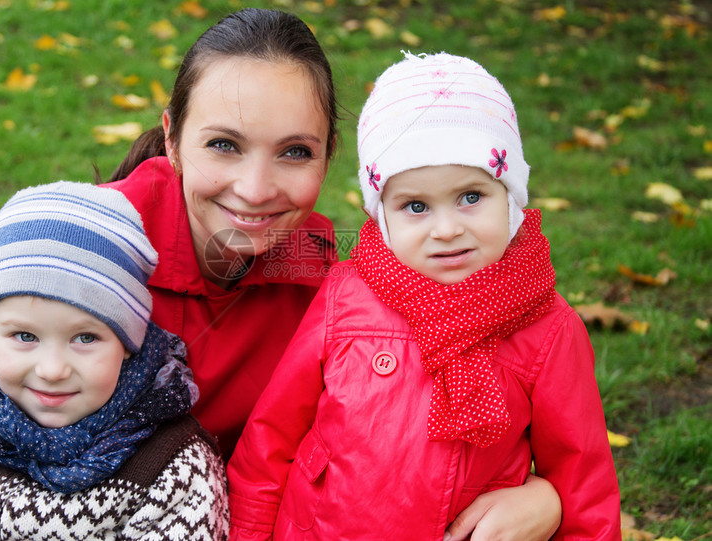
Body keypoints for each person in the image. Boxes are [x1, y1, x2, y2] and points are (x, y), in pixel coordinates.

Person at [0, 9, 562, 540]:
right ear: (171, 136)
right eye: (223, 145)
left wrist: (548, 493)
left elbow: (475, 362)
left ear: (332, 161)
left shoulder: (337, 277)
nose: (256, 189)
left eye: (294, 151)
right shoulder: (67, 259)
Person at [226, 52, 622, 540]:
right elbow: (271, 439)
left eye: (471, 197)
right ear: (382, 216)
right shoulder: (346, 295)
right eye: (416, 206)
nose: (447, 229)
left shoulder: (546, 326)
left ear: (511, 196)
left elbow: (582, 481)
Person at [0, 182, 229, 540]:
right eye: (25, 337)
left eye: (85, 338)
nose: (52, 370)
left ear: (129, 344)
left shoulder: (172, 468)